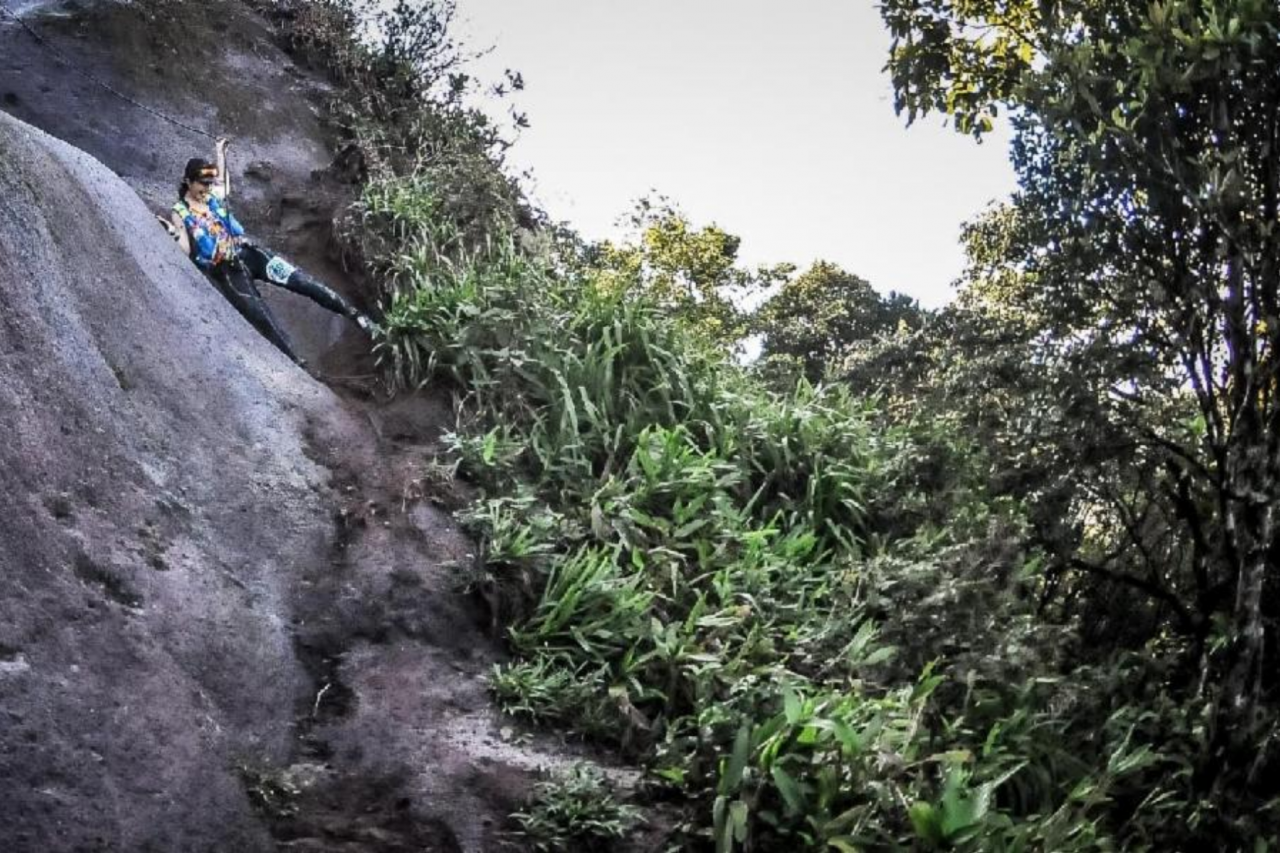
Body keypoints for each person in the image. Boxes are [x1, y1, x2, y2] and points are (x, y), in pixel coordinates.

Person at [159, 137, 376, 367]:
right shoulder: (180, 212)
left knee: (303, 282)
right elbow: (185, 247)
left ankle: (357, 316)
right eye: (202, 184)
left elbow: (223, 182)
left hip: (250, 253)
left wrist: (220, 152)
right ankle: (300, 364)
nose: (207, 188)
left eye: (208, 183)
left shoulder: (213, 195)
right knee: (263, 318)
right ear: (188, 182)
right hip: (227, 272)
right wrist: (172, 232)